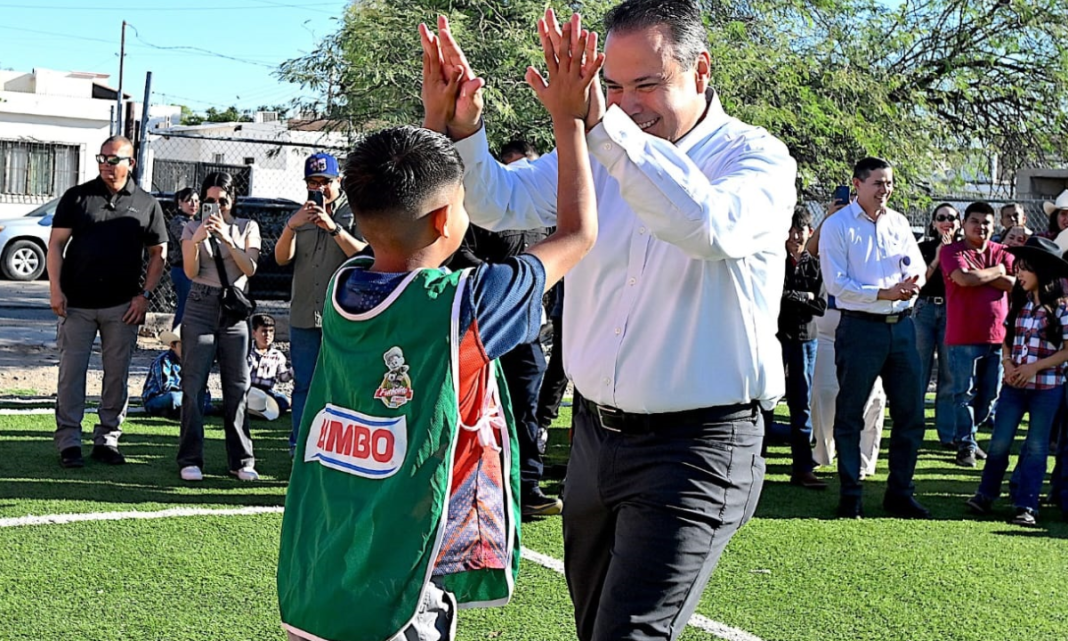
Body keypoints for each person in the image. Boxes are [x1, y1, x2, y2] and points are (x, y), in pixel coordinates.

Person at [420, 1, 795, 638]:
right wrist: (463, 131)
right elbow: (499, 202)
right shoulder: (600, 145)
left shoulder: (755, 158)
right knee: (595, 625)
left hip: (698, 446)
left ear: (701, 71)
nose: (626, 104)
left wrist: (596, 125)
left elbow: (705, 224)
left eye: (647, 84)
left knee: (627, 633)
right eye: (611, 85)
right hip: (594, 438)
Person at [278, 21, 601, 639]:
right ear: (447, 220)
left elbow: (412, 225)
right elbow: (579, 235)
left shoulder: (347, 285)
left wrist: (434, 125)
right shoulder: (465, 305)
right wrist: (570, 118)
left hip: (319, 580)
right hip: (394, 600)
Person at [48, 135, 167, 468]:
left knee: (117, 375)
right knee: (71, 374)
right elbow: (55, 245)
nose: (106, 164)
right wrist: (55, 289)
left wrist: (144, 295)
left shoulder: (147, 203)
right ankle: (69, 441)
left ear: (131, 163)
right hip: (76, 304)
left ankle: (108, 440)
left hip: (123, 308)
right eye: (102, 158)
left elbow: (159, 253)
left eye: (114, 159)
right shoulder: (77, 197)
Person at [819, 157, 929, 520]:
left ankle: (900, 493)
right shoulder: (838, 226)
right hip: (860, 328)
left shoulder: (898, 222)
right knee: (851, 414)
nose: (885, 190)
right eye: (878, 183)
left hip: (901, 328)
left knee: (910, 415)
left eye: (889, 183)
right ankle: (851, 494)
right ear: (858, 184)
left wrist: (912, 285)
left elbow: (917, 268)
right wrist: (885, 293)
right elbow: (837, 286)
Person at [966, 236, 1068, 527]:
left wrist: (1034, 368)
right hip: (1013, 388)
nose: (1018, 274)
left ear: (1043, 272)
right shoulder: (1020, 304)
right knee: (999, 443)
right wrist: (1009, 364)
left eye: (1025, 269)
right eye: (1018, 268)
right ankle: (985, 494)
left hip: (1047, 389)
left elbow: (1066, 351)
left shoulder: (1062, 308)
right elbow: (1007, 339)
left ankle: (1027, 504)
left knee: (1036, 447)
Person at [275, 153, 367, 454]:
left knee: (340, 385)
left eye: (325, 182)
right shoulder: (300, 214)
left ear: (338, 180)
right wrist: (291, 226)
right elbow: (280, 258)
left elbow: (365, 255)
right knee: (304, 385)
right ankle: (300, 445)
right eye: (313, 182)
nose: (320, 188)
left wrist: (332, 227)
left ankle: (336, 448)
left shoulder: (354, 211)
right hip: (303, 313)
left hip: (342, 314)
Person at [178, 171, 260, 482]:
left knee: (237, 386)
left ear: (232, 201)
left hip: (233, 312)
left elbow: (249, 268)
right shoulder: (190, 227)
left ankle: (241, 460)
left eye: (222, 201)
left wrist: (226, 236)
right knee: (193, 385)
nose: (216, 208)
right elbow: (190, 271)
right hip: (200, 305)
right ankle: (190, 459)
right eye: (209, 202)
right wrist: (197, 240)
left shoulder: (246, 227)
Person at [806, 199, 887, 481]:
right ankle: (824, 451)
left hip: (865, 321)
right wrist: (828, 219)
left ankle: (864, 460)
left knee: (872, 395)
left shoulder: (877, 237)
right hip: (827, 321)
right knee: (825, 392)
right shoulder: (830, 234)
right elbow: (806, 255)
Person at [941, 202, 1014, 467]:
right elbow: (964, 280)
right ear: (964, 223)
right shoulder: (951, 251)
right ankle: (966, 445)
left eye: (986, 222)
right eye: (974, 221)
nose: (980, 227)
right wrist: (997, 272)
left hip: (998, 337)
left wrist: (980, 275)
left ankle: (970, 436)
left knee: (990, 396)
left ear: (994, 226)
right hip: (963, 336)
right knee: (964, 394)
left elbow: (1014, 283)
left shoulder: (1003, 250)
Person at [768, 206, 826, 488]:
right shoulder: (772, 262)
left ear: (809, 232)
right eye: (790, 230)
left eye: (800, 230)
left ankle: (803, 469)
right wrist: (802, 295)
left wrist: (792, 296)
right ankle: (755, 465)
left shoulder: (814, 265)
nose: (794, 236)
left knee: (800, 404)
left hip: (805, 339)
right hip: (774, 337)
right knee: (765, 401)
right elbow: (771, 298)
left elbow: (821, 305)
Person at [914, 203, 960, 449]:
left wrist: (952, 253)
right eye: (941, 218)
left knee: (949, 374)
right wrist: (940, 252)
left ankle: (947, 434)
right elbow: (920, 280)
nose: (946, 222)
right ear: (933, 223)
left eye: (951, 218)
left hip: (953, 312)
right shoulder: (924, 247)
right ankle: (914, 429)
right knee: (919, 370)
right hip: (925, 309)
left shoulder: (964, 250)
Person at [141, 329, 212, 418]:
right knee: (173, 397)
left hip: (185, 395)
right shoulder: (164, 360)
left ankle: (179, 410)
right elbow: (166, 387)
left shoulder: (193, 361)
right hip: (158, 398)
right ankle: (201, 409)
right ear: (173, 346)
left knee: (204, 396)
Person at [248, 313, 293, 415]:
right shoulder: (247, 352)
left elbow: (282, 378)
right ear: (254, 333)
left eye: (271, 331)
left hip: (267, 391)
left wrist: (292, 372)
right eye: (264, 331)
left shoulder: (277, 356)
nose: (268, 335)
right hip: (250, 388)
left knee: (282, 402)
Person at [168, 187, 199, 328]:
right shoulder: (178, 221)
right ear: (180, 202)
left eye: (197, 201)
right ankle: (176, 345)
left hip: (194, 268)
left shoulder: (196, 222)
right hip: (182, 268)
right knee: (185, 306)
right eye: (189, 201)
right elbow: (189, 240)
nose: (194, 204)